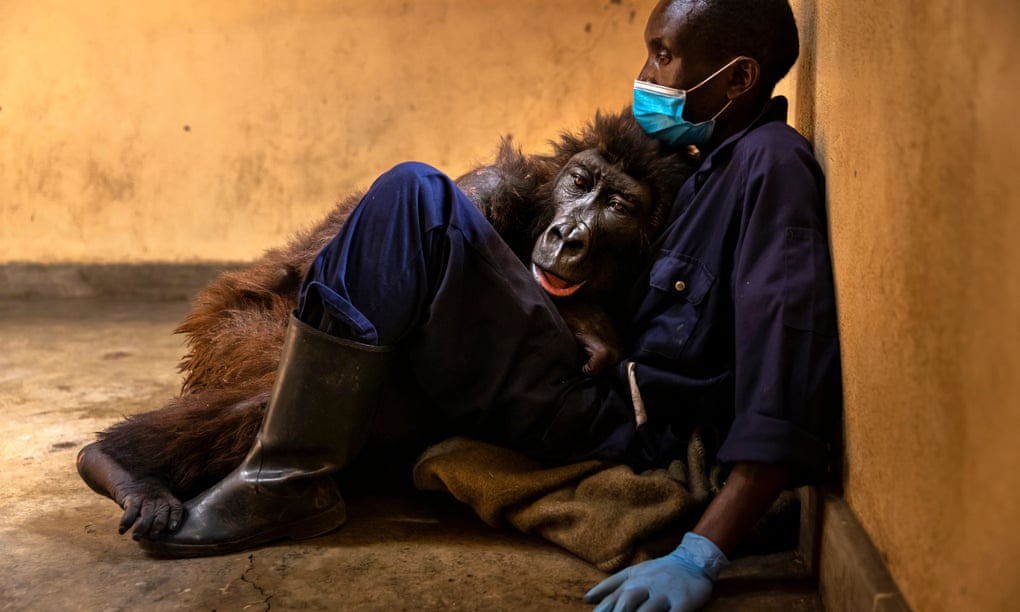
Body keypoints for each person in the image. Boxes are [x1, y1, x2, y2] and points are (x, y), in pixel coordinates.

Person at [138, 0, 841, 609]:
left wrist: (701, 554)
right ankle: (281, 459)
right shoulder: (694, 165)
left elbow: (786, 373)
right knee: (424, 208)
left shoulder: (769, 167)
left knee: (417, 197)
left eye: (663, 56)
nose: (646, 79)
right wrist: (574, 314)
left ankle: (284, 478)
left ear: (740, 77)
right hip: (576, 372)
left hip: (606, 418)